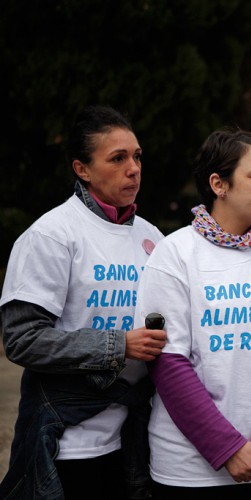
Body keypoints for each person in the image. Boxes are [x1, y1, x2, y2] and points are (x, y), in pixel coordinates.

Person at [134, 128, 251, 499]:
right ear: (219, 184)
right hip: (192, 470)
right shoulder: (175, 254)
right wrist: (227, 447)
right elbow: (167, 362)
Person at [0, 105, 167, 499]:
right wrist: (118, 345)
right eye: (118, 158)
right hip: (66, 442)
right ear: (82, 169)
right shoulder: (51, 235)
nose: (134, 168)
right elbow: (22, 339)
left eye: (137, 156)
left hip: (135, 440)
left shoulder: (153, 237)